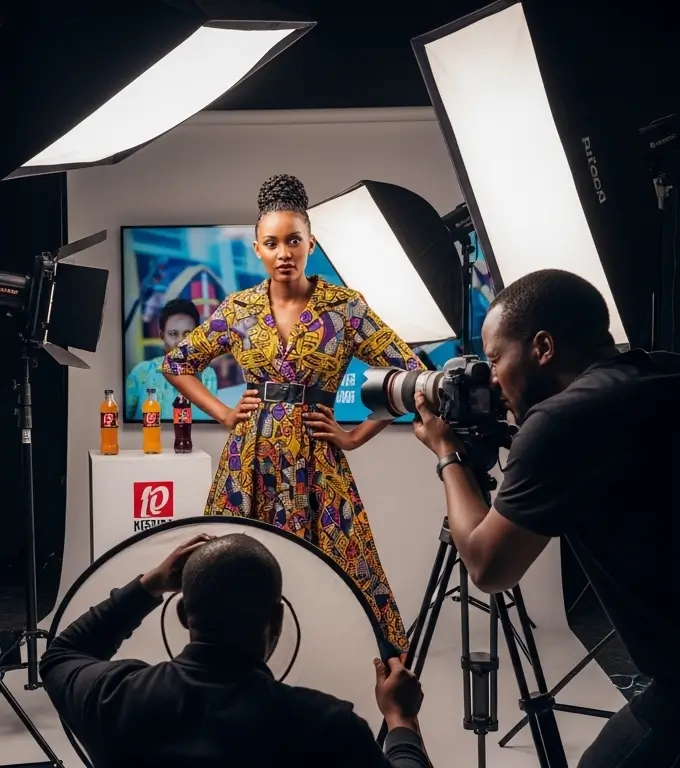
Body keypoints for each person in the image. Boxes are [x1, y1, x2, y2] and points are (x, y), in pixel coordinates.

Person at [410, 269, 680, 767]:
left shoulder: (562, 421)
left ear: (542, 347)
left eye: (495, 358)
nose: (491, 378)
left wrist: (448, 452)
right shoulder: (673, 372)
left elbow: (487, 567)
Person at [162, 173, 422, 652]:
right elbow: (177, 363)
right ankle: (234, 658)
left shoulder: (345, 308)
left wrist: (356, 435)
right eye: (272, 243)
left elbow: (407, 371)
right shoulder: (238, 309)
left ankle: (347, 661)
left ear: (311, 243)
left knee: (342, 568)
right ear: (257, 248)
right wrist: (222, 413)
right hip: (249, 463)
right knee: (233, 568)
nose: (284, 252)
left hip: (317, 461)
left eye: (294, 241)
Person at [40, 533, 430, 767]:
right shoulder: (327, 726)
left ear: (180, 614)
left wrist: (149, 585)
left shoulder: (114, 698)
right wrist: (400, 719)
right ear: (278, 621)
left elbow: (60, 655)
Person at [126, 299, 220, 421]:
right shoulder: (142, 372)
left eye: (187, 334)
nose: (180, 342)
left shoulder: (207, 375)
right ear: (162, 335)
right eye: (173, 334)